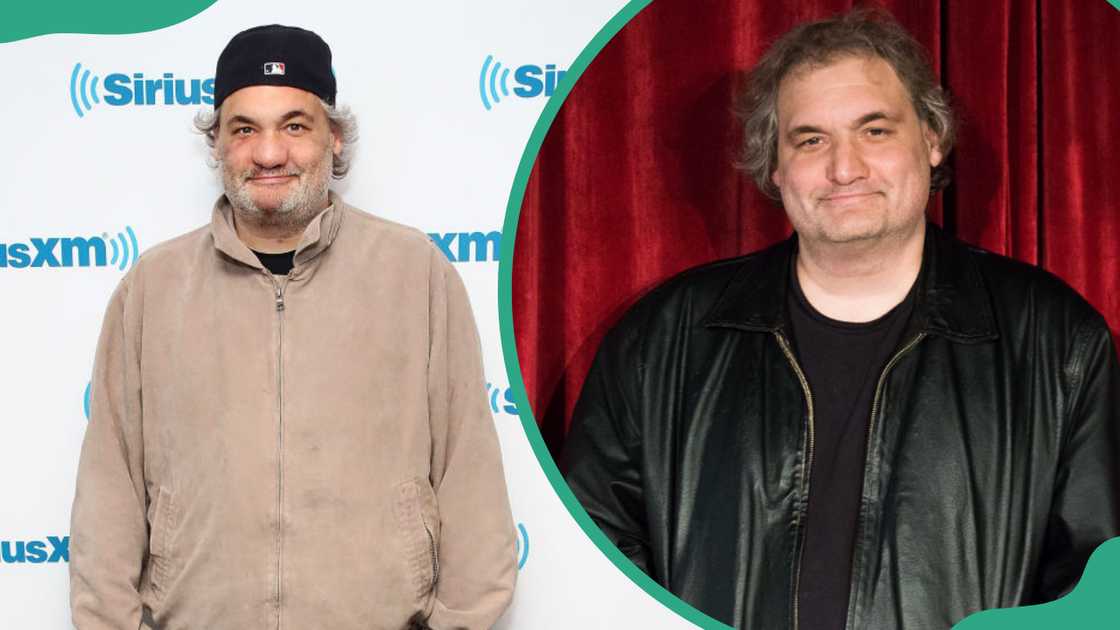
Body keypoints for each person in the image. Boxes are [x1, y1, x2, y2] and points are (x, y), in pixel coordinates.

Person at [563, 9, 1119, 630]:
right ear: (775, 166)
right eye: (810, 139)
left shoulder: (1055, 342)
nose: (844, 169)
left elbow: (1095, 585)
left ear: (932, 140)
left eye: (875, 131)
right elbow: (595, 559)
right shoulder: (664, 339)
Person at [69, 24, 516, 630]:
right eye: (244, 128)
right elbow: (108, 493)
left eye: (294, 126)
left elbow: (471, 480)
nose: (270, 153)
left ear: (333, 138)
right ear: (218, 145)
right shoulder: (153, 288)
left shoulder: (416, 274)